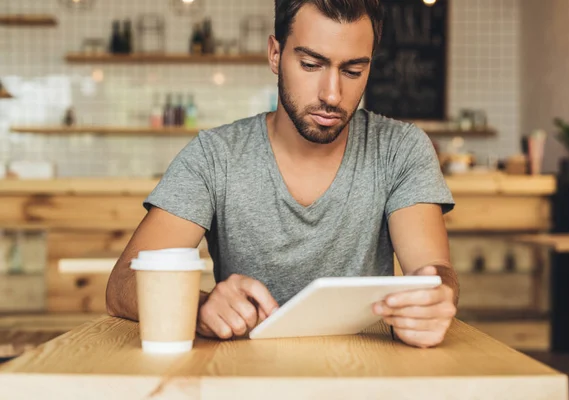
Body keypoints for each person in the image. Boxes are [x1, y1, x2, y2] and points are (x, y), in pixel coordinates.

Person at [106, 0, 459, 349]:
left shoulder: (401, 149)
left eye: (353, 71)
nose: (332, 94)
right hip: (244, 376)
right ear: (275, 54)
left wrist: (435, 298)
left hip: (362, 372)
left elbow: (433, 271)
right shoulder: (214, 156)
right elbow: (122, 284)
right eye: (310, 64)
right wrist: (198, 306)